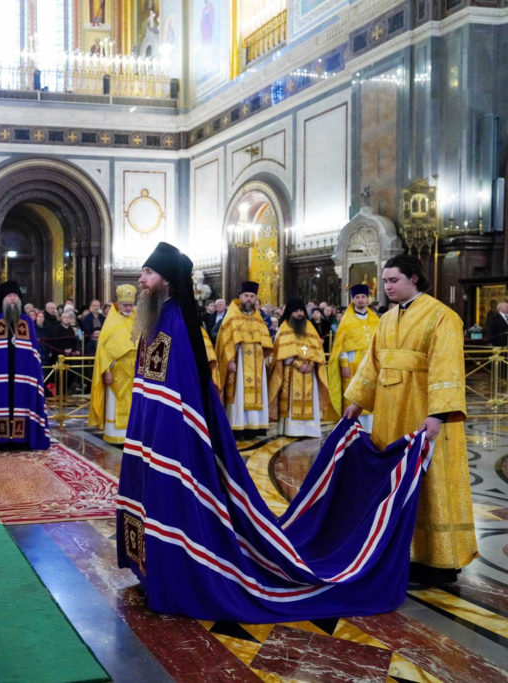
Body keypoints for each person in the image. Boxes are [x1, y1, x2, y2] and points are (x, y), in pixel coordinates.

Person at [116, 241, 434, 621]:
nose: (141, 279)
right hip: (152, 436)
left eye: (148, 272)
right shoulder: (158, 318)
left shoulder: (176, 323)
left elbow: (179, 394)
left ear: (166, 279)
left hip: (172, 438)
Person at [345, 253, 475, 586]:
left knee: (430, 481)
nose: (386, 287)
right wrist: (358, 401)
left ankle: (439, 562)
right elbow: (374, 364)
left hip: (423, 411)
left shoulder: (441, 316)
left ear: (413, 278)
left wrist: (437, 414)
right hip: (390, 413)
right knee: (396, 480)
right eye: (385, 281)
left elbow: (447, 366)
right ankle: (405, 552)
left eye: (393, 280)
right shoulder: (386, 319)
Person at [0, 281, 50, 449]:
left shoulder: (26, 322)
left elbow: (33, 351)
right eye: (9, 296)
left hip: (23, 373)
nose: (12, 299)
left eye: (15, 296)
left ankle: (22, 438)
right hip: (0, 373)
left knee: (22, 399)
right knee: (1, 399)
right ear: (3, 300)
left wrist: (35, 373)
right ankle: (0, 439)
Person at [268, 299, 336, 438]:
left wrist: (311, 364)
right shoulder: (284, 328)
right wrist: (298, 364)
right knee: (292, 399)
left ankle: (309, 429)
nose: (299, 314)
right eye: (296, 311)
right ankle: (292, 430)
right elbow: (280, 352)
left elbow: (317, 349)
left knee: (309, 399)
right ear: (290, 313)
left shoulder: (310, 327)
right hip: (291, 370)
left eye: (301, 311)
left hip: (309, 371)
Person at [214, 281, 273, 436]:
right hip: (239, 362)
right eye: (246, 296)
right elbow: (225, 341)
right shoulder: (231, 317)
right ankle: (238, 426)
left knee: (257, 394)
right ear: (240, 297)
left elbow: (266, 341)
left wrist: (264, 354)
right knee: (239, 394)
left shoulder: (258, 318)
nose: (249, 299)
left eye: (252, 296)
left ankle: (256, 425)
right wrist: (230, 361)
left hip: (257, 362)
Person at [88, 285, 138, 444]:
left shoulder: (137, 318)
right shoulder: (112, 320)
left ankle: (132, 435)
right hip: (116, 371)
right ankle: (115, 435)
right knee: (115, 403)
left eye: (131, 305)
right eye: (125, 305)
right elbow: (103, 349)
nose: (129, 308)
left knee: (134, 402)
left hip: (135, 371)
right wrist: (106, 371)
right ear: (119, 303)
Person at [327, 284, 380, 431]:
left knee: (371, 392)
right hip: (352, 363)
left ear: (368, 299)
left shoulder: (375, 319)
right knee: (353, 394)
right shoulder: (347, 320)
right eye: (357, 297)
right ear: (353, 300)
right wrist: (344, 365)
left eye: (363, 297)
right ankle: (352, 429)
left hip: (372, 363)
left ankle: (370, 429)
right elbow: (341, 346)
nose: (361, 300)